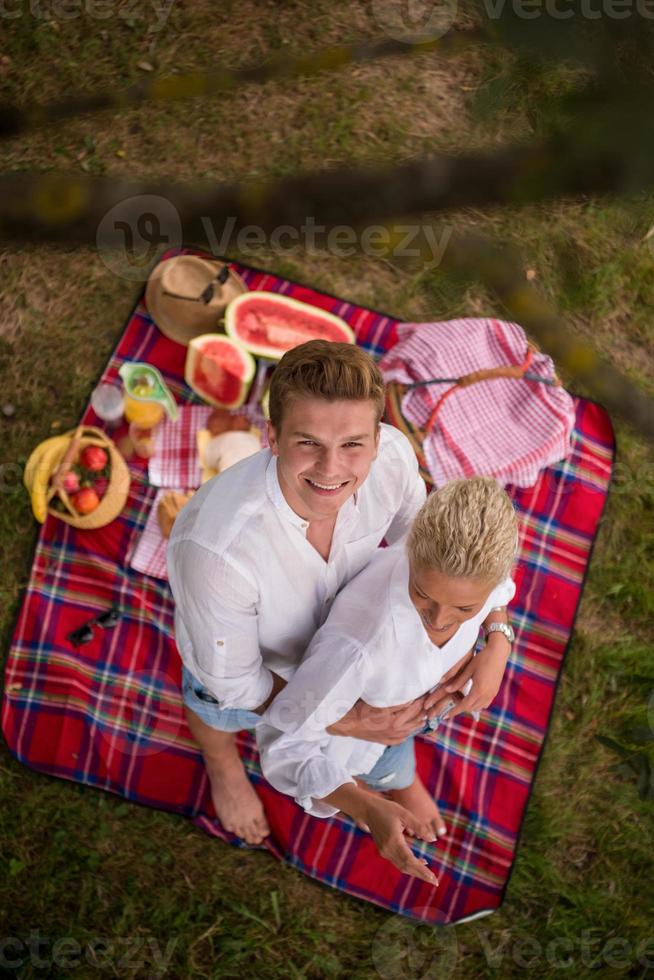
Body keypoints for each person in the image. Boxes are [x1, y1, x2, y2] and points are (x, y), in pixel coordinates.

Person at [167, 340, 428, 845]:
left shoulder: (393, 457)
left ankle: (395, 777)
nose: (331, 470)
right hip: (253, 675)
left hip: (345, 647)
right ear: (273, 436)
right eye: (308, 443)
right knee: (215, 707)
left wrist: (496, 628)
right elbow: (238, 684)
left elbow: (422, 536)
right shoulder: (216, 553)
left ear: (377, 437)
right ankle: (221, 764)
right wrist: (349, 720)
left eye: (353, 444)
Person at [258, 476, 518, 886]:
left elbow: (497, 591)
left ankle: (401, 780)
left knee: (400, 765)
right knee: (388, 766)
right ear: (411, 547)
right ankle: (387, 784)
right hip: (367, 731)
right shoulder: (357, 646)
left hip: (411, 713)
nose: (439, 620)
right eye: (422, 595)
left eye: (466, 607)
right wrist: (361, 805)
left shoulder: (471, 570)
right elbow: (284, 745)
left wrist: (498, 640)